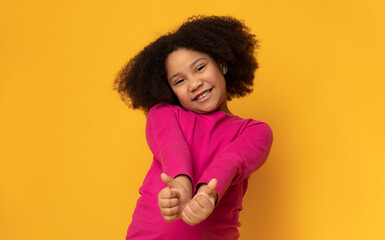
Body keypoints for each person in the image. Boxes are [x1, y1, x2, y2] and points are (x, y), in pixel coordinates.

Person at [113, 15, 273, 240]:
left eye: (200, 68)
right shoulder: (163, 113)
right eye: (179, 81)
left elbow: (230, 161)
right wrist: (181, 186)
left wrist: (208, 194)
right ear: (170, 90)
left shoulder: (254, 131)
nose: (194, 83)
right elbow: (171, 146)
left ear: (222, 63)